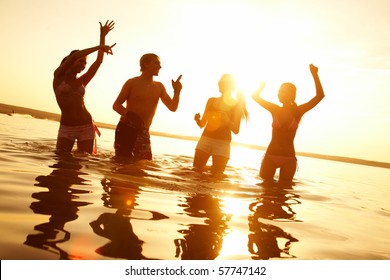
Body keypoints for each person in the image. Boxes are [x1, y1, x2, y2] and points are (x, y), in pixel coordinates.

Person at [252, 64, 325, 186]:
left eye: (282, 91)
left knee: (283, 195)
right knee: (264, 192)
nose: (279, 94)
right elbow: (255, 96)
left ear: (291, 94)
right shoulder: (274, 109)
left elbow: (319, 96)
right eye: (279, 91)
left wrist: (315, 74)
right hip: (270, 155)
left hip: (289, 159)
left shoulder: (298, 112)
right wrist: (260, 87)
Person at [53, 20, 116, 154]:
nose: (83, 65)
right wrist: (99, 46)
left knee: (83, 161)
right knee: (61, 160)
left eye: (85, 63)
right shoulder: (58, 77)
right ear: (70, 61)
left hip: (86, 126)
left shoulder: (82, 81)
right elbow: (76, 54)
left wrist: (103, 36)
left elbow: (98, 61)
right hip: (67, 127)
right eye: (81, 61)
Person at [112, 53, 182, 160]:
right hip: (126, 128)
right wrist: (130, 115)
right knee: (121, 163)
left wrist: (177, 92)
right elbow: (116, 105)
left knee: (143, 165)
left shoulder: (159, 86)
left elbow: (172, 107)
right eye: (156, 63)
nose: (160, 66)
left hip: (144, 131)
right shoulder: (132, 83)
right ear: (145, 64)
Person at [193, 74, 249, 176]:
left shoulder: (236, 105)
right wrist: (197, 120)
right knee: (196, 171)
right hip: (205, 139)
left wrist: (227, 119)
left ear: (230, 86)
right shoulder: (211, 101)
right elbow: (202, 124)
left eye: (223, 83)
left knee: (217, 176)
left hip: (223, 143)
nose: (220, 85)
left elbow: (236, 130)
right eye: (220, 83)